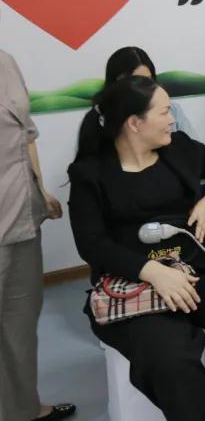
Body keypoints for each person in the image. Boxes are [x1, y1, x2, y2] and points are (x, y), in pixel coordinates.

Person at [68, 75, 205, 421]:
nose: (172, 119)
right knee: (171, 359)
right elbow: (92, 244)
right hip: (132, 283)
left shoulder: (180, 149)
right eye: (164, 112)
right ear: (134, 123)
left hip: (191, 270)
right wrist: (153, 272)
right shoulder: (91, 174)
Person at [0, 49, 74, 421]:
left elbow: (25, 134)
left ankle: (23, 410)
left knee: (20, 322)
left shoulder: (5, 62)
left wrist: (41, 190)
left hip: (22, 215)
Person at [75, 46, 198, 163]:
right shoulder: (98, 118)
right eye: (134, 81)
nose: (143, 87)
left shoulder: (172, 109)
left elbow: (195, 151)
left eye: (147, 80)